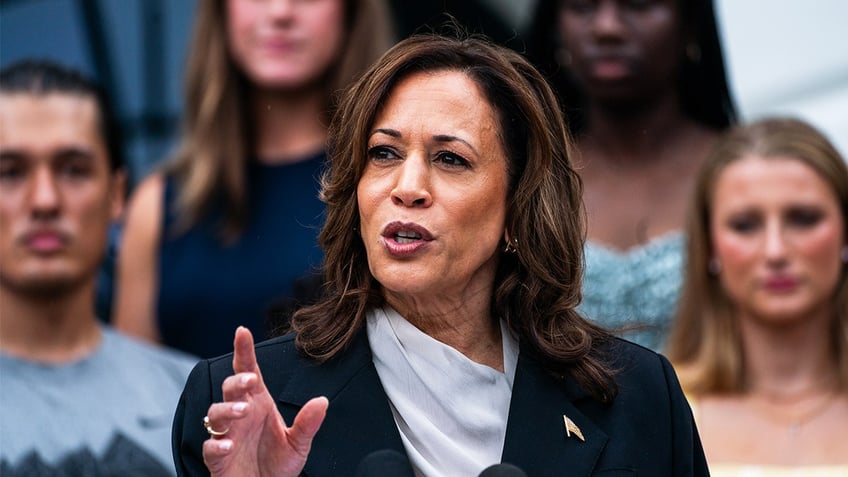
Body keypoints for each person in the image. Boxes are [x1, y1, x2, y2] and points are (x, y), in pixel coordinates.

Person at [172, 32, 708, 477]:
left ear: (518, 211)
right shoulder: (235, 409)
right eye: (383, 153)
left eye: (450, 159)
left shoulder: (639, 399)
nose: (407, 187)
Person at [114, 0, 394, 359]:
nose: (280, 11)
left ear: (353, 12)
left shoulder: (393, 187)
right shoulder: (157, 205)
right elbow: (134, 399)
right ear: (220, 11)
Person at [0, 60, 197, 476]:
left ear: (116, 193)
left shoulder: (196, 398)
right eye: (10, 173)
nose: (44, 200)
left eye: (74, 169)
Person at [524, 0, 737, 350]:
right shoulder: (528, 175)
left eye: (638, 5)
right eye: (582, 6)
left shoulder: (743, 171)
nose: (607, 27)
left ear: (690, 24)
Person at [666, 118, 848, 474]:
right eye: (745, 224)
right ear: (710, 248)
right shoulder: (661, 406)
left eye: (803, 218)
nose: (776, 251)